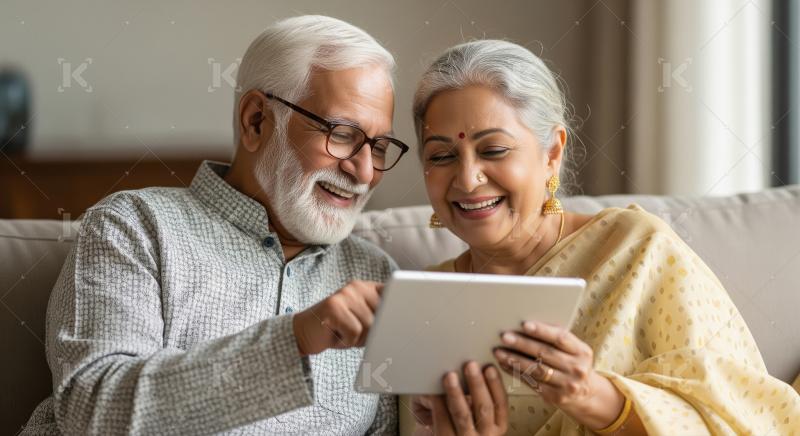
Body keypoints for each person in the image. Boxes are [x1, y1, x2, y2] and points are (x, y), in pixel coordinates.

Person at [22, 15, 411, 435]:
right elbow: (93, 412)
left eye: (380, 146)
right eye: (343, 133)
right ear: (256, 120)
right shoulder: (134, 228)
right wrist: (293, 340)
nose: (365, 171)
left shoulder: (376, 272)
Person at [403, 39, 800, 435]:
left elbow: (741, 419)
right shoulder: (428, 301)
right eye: (441, 156)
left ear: (552, 154)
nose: (468, 179)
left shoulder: (635, 249)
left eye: (494, 150)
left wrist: (591, 396)